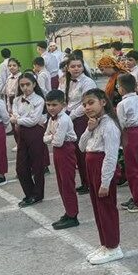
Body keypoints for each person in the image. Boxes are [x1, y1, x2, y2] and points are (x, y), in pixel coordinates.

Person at [79, 88, 123, 265]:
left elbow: (111, 156)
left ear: (103, 102)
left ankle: (114, 246)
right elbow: (82, 147)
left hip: (102, 167)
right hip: (91, 166)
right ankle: (105, 243)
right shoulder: (94, 123)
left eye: (91, 103)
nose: (87, 107)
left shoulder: (110, 125)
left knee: (106, 207)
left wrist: (105, 182)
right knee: (97, 207)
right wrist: (89, 129)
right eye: (84, 105)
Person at [43, 89, 80, 230]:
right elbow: (44, 137)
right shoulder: (52, 118)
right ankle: (68, 211)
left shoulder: (64, 119)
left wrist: (50, 137)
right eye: (48, 105)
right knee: (61, 183)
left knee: (67, 183)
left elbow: (57, 141)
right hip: (58, 152)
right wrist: (51, 137)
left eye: (54, 105)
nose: (51, 108)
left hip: (66, 150)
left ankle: (73, 215)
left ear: (63, 105)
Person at [11, 72, 49, 207]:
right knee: (21, 167)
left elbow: (33, 121)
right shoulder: (16, 100)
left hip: (35, 133)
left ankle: (38, 194)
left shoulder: (39, 100)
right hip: (21, 133)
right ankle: (29, 193)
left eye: (28, 84)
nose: (25, 87)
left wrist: (18, 120)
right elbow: (14, 113)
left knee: (37, 166)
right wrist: (20, 119)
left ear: (34, 84)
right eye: (22, 85)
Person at [116, 73, 138, 214]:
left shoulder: (122, 104)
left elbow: (121, 123)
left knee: (132, 169)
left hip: (129, 134)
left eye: (118, 86)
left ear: (122, 89)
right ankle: (137, 195)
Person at [64, 57, 98, 195]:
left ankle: (90, 182)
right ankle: (85, 181)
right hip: (70, 115)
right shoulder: (68, 81)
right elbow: (68, 100)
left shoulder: (88, 82)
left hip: (82, 117)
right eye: (73, 66)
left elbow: (86, 104)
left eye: (79, 66)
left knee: (83, 150)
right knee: (78, 152)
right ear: (68, 68)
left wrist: (71, 116)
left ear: (83, 67)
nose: (76, 68)